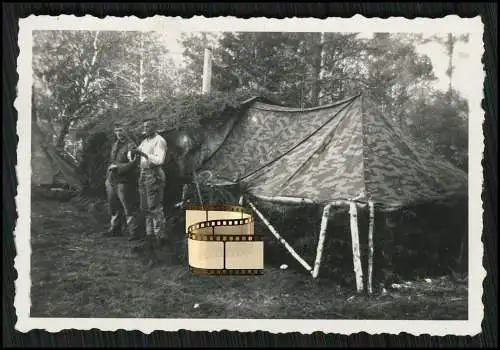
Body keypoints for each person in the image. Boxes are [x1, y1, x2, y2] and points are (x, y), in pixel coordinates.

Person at [131, 119, 169, 266]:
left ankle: (161, 237)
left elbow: (159, 160)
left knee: (155, 208)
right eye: (144, 126)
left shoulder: (160, 141)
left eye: (148, 126)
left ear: (155, 127)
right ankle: (150, 237)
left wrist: (145, 155)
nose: (145, 128)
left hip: (154, 174)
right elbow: (137, 154)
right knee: (145, 208)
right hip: (144, 173)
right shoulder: (145, 141)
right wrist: (134, 153)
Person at [104, 126, 140, 239]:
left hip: (124, 181)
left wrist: (117, 167)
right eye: (116, 131)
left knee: (128, 207)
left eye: (121, 130)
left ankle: (134, 232)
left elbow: (134, 163)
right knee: (113, 206)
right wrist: (108, 176)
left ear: (126, 131)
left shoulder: (132, 146)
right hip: (112, 180)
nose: (118, 133)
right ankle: (115, 229)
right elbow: (112, 160)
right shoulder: (115, 145)